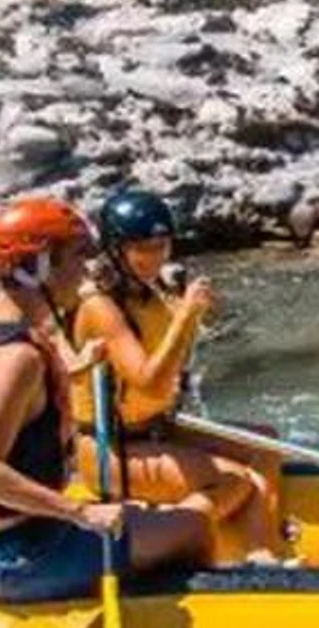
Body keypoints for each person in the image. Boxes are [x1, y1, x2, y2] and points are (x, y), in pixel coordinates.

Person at [0, 196, 213, 603]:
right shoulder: (19, 360)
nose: (85, 271)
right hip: (23, 559)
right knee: (195, 527)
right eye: (77, 257)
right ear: (39, 267)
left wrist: (76, 368)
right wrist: (80, 512)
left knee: (153, 518)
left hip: (1, 541)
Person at [66, 189, 279, 564]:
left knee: (264, 444)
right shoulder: (100, 307)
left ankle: (259, 550)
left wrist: (196, 315)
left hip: (157, 428)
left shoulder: (152, 292)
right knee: (234, 481)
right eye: (142, 249)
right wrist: (184, 316)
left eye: (162, 246)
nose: (155, 257)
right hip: (112, 450)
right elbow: (149, 384)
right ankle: (164, 535)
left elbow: (175, 359)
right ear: (116, 250)